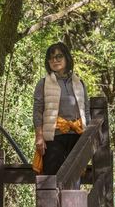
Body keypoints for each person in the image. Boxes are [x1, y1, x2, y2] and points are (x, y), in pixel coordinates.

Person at [32, 42, 91, 176]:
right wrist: (39, 137)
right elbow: (37, 111)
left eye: (59, 56)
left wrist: (88, 138)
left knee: (74, 177)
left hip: (77, 136)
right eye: (51, 58)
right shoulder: (43, 83)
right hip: (53, 138)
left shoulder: (79, 83)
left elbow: (86, 111)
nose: (55, 60)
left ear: (67, 58)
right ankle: (52, 198)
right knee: (52, 178)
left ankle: (72, 198)